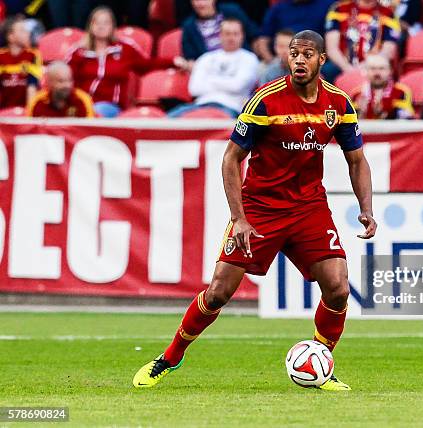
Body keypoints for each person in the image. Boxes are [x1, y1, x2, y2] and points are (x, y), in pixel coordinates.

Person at [133, 30, 377, 391]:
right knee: (218, 291)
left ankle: (321, 362)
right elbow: (231, 159)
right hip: (261, 208)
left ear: (321, 60)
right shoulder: (265, 101)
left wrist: (366, 208)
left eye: (307, 54)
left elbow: (357, 160)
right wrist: (239, 217)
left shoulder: (338, 104)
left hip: (309, 207)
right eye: (293, 53)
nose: (298, 59)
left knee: (338, 287)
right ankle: (170, 357)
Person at [66, 6, 189, 117]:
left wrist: (173, 61)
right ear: (90, 26)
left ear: (113, 27)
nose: (101, 26)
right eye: (96, 22)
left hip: (110, 106)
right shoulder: (78, 52)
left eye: (106, 22)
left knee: (95, 111)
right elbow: (67, 76)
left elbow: (147, 64)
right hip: (82, 103)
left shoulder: (124, 49)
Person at [169, 18, 259, 118]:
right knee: (168, 119)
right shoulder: (206, 58)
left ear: (242, 36)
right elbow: (194, 89)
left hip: (231, 108)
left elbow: (237, 86)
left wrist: (209, 81)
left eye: (235, 34)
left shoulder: (250, 59)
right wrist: (227, 82)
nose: (231, 38)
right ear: (220, 36)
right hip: (200, 105)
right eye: (227, 34)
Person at [324, 0, 401, 82]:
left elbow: (388, 51)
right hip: (341, 64)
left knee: (383, 72)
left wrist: (364, 67)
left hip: (373, 66)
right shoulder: (339, 9)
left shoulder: (388, 13)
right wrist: (348, 69)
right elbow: (332, 49)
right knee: (324, 72)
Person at [254, 0, 335, 63]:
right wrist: (272, 61)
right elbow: (263, 40)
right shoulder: (278, 8)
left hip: (316, 60)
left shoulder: (329, 5)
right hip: (281, 60)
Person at [181, 0, 258, 61]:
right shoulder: (188, 26)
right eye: (196, 0)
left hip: (242, 61)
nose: (200, 3)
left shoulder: (233, 11)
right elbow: (190, 58)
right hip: (212, 70)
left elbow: (255, 35)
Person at [352, 54, 414, 119]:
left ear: (390, 71)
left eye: (381, 68)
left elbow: (406, 121)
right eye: (372, 69)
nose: (377, 73)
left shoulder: (401, 92)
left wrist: (384, 113)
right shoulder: (357, 94)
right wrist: (361, 113)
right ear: (366, 71)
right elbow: (348, 124)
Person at [26, 61, 94, 118]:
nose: (67, 85)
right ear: (49, 82)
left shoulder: (83, 100)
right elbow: (29, 128)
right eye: (61, 81)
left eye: (69, 80)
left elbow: (89, 128)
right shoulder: (37, 102)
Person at [0, 15, 41, 109]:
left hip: (25, 112)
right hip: (4, 113)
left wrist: (29, 117)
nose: (27, 33)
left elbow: (32, 87)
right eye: (22, 31)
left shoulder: (33, 55)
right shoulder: (1, 56)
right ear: (11, 37)